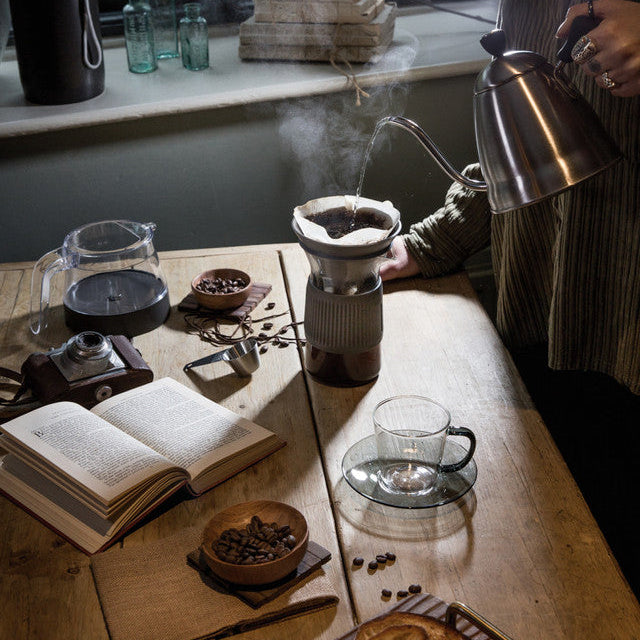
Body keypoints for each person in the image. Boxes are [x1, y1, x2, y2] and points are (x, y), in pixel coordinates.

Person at [380, 0, 640, 596]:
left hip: (627, 328)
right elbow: (533, 125)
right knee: (554, 570)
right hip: (543, 313)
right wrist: (438, 239)